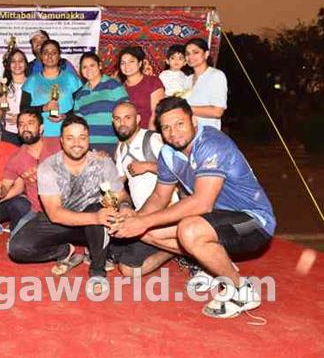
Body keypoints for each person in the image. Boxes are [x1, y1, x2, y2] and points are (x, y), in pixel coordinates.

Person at [112, 97, 275, 319]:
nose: (173, 133)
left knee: (189, 230)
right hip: (215, 219)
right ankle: (214, 265)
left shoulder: (211, 144)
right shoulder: (168, 153)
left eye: (179, 124)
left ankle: (241, 290)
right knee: (147, 232)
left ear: (193, 121)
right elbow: (159, 197)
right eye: (166, 127)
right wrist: (135, 220)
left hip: (254, 222)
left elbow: (202, 202)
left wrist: (143, 221)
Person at [8, 114, 128, 293]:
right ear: (62, 141)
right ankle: (64, 251)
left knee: (99, 210)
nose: (76, 143)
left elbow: (121, 195)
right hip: (61, 221)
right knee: (17, 248)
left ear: (88, 139)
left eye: (82, 137)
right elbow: (55, 214)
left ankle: (97, 270)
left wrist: (124, 209)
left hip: (93, 226)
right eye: (70, 138)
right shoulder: (48, 167)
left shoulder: (103, 162)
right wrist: (95, 217)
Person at [112, 101, 174, 275]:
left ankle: (177, 248)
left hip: (165, 213)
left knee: (128, 270)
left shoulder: (152, 139)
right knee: (112, 249)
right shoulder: (121, 148)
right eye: (117, 119)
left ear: (138, 119)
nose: (122, 123)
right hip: (140, 214)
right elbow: (118, 182)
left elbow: (179, 170)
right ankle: (170, 247)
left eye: (127, 118)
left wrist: (148, 166)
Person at [21, 39, 82, 141]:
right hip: (39, 136)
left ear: (59, 56)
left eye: (53, 53)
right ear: (41, 56)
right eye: (45, 53)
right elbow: (23, 109)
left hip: (68, 134)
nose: (49, 56)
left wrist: (65, 116)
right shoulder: (31, 80)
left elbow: (81, 106)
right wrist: (43, 108)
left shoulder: (71, 78)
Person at [73, 52, 128, 155]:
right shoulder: (80, 94)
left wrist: (121, 143)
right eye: (84, 67)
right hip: (88, 148)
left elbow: (127, 115)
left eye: (92, 65)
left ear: (100, 65)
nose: (88, 69)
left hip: (113, 145)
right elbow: (79, 124)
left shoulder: (113, 86)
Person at [182, 37, 228, 129]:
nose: (190, 57)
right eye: (187, 54)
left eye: (195, 52)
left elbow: (217, 111)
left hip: (208, 132)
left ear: (206, 54)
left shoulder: (216, 75)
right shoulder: (187, 79)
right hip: (189, 132)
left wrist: (183, 108)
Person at [118, 46, 164, 130]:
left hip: (149, 132)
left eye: (131, 61)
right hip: (127, 133)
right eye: (123, 63)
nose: (127, 66)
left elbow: (156, 113)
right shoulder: (119, 88)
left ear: (139, 63)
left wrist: (149, 135)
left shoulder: (153, 82)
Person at [0, 48, 28, 145]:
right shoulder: (2, 87)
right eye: (13, 61)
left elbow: (39, 110)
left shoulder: (33, 84)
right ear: (8, 65)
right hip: (9, 135)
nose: (17, 64)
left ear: (26, 64)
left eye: (20, 61)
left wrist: (21, 118)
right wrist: (0, 108)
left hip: (29, 134)